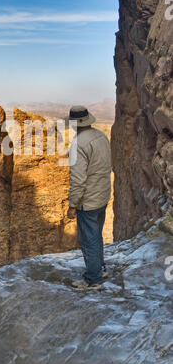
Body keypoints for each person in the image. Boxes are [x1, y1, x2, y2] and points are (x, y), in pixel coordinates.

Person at [67, 106, 112, 291]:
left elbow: (78, 180)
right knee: (96, 235)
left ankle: (93, 279)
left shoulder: (78, 144)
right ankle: (99, 269)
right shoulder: (101, 136)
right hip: (103, 195)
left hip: (88, 201)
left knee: (88, 239)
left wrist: (72, 205)